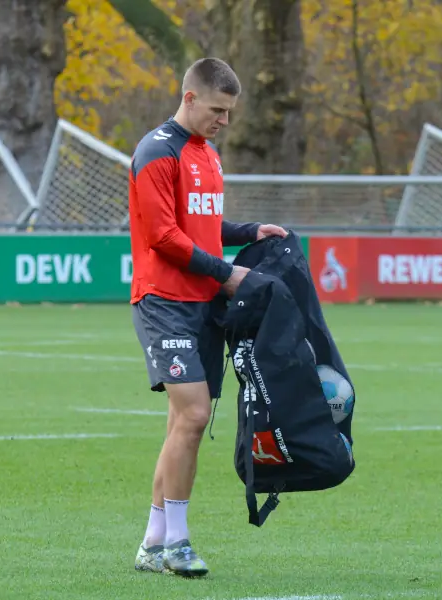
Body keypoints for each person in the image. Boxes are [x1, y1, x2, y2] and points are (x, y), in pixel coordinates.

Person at [127, 57, 287, 578]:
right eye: (218, 109)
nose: (224, 120)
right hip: (163, 301)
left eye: (230, 111)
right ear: (190, 97)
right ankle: (177, 544)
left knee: (182, 424)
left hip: (204, 305)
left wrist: (250, 232)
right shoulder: (156, 150)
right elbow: (164, 237)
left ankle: (153, 545)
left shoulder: (208, 155)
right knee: (194, 415)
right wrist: (228, 274)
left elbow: (203, 225)